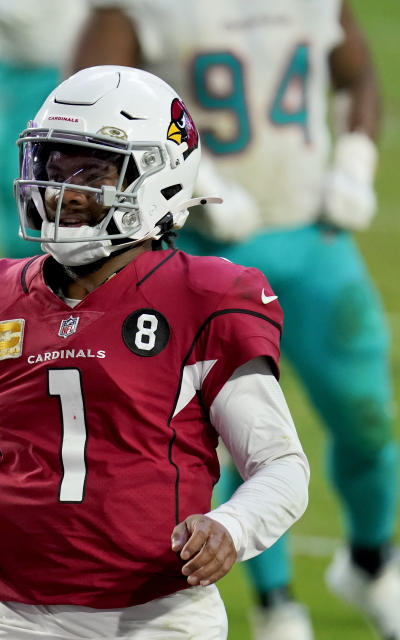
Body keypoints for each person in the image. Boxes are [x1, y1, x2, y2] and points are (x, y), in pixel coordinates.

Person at [0, 65, 311, 639]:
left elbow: (280, 466)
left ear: (159, 178)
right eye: (53, 167)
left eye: (92, 171)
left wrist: (230, 528)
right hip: (19, 620)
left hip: (160, 618)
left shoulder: (204, 296)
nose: (63, 191)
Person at [71, 3, 400, 639]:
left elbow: (356, 74)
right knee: (220, 437)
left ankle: (371, 559)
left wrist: (355, 159)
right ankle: (276, 603)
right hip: (201, 251)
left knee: (367, 419)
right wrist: (192, 179)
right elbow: (86, 110)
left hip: (315, 237)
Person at [0, 0, 89, 259]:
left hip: (53, 72)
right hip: (10, 71)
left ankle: (51, 270)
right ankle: (22, 278)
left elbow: (21, 12)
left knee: (49, 183)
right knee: (7, 183)